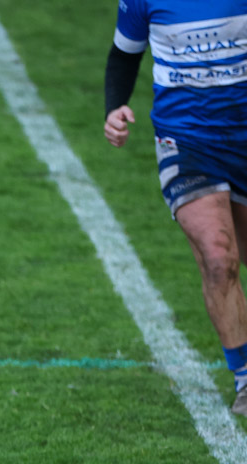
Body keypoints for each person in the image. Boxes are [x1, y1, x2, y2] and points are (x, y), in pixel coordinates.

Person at [103, 2, 247, 414]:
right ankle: (246, 378)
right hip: (186, 142)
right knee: (219, 257)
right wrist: (115, 108)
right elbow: (124, 53)